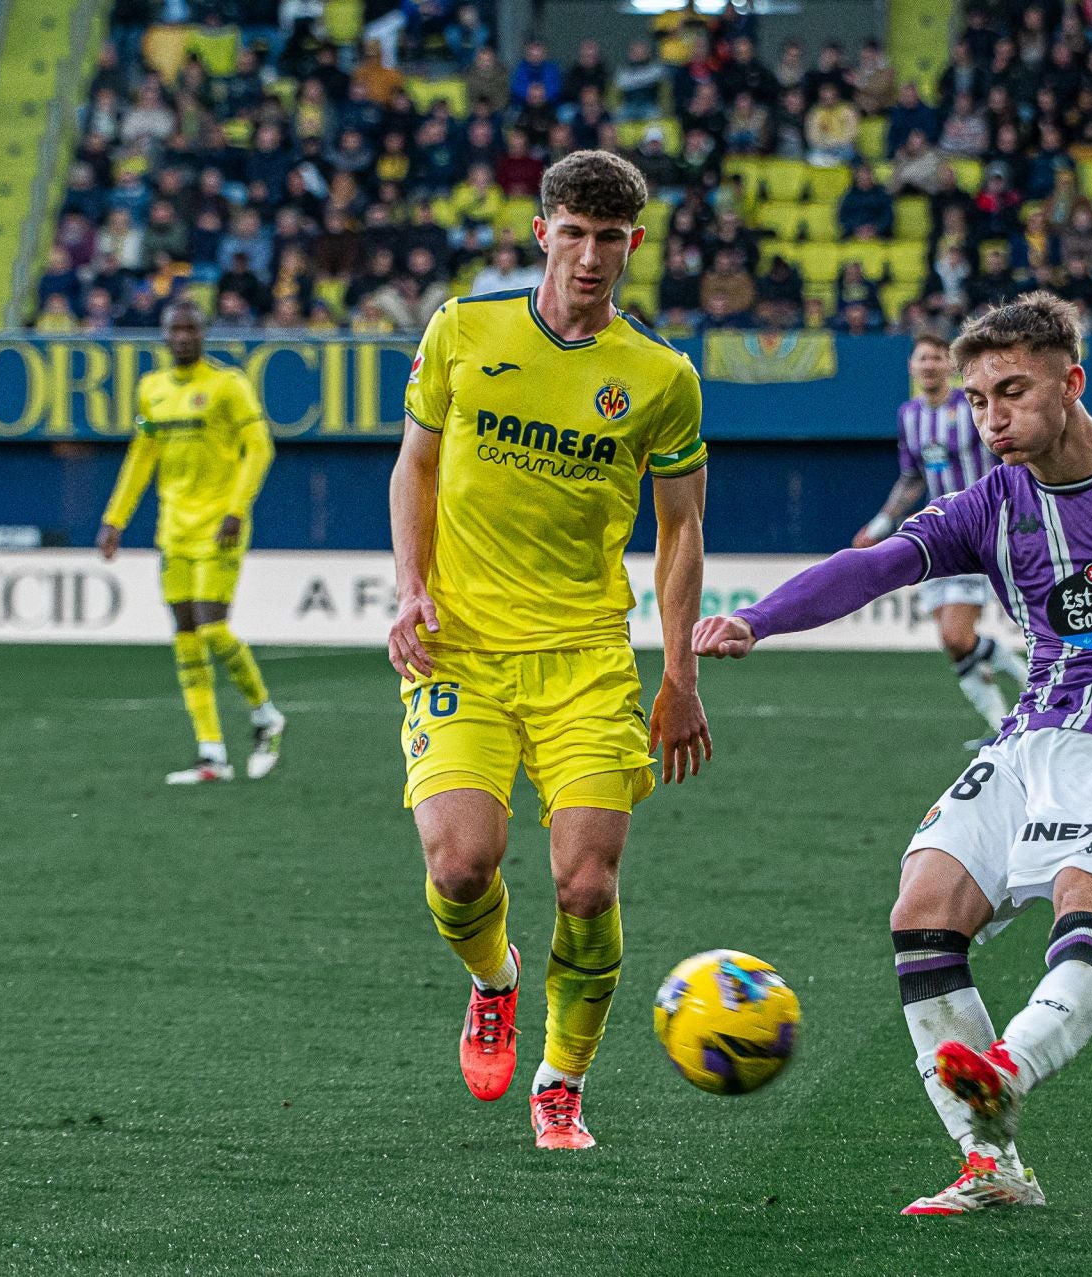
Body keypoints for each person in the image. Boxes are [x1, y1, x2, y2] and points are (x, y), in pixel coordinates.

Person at [695, 293, 1092, 1213]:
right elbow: (875, 564)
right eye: (979, 398)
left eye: (1012, 392)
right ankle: (991, 1162)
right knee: (922, 907)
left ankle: (1008, 1066)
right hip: (1031, 733)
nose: (991, 418)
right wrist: (758, 617)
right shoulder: (990, 505)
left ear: (1072, 382)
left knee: (1087, 899)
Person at [387, 150, 712, 1151]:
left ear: (634, 245)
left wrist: (681, 672)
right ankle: (495, 980)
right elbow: (418, 464)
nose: (589, 256)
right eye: (572, 232)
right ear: (541, 232)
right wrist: (411, 586)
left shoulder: (660, 375)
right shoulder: (463, 328)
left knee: (587, 883)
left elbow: (681, 529)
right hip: (464, 648)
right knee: (458, 866)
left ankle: (561, 1082)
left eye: (609, 238)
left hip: (583, 657)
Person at [97, 302, 285, 785]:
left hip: (218, 525)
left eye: (190, 329)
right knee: (184, 638)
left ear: (203, 334)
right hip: (173, 529)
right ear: (163, 337)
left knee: (212, 631)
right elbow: (144, 451)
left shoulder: (228, 385)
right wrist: (115, 518)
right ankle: (212, 753)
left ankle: (265, 715)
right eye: (174, 330)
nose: (182, 337)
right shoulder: (151, 391)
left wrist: (236, 508)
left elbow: (260, 446)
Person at [852, 332, 1029, 747]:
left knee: (956, 635)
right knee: (955, 646)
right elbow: (912, 477)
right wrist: (881, 524)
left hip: (982, 529)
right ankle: (1002, 726)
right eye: (921, 359)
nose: (928, 365)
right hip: (940, 531)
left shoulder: (971, 407)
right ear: (912, 367)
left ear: (948, 366)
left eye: (936, 358)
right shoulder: (908, 414)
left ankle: (1029, 677)